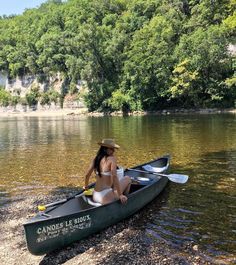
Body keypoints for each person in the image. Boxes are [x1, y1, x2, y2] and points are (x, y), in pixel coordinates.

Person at [83, 139, 131, 205]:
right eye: (111, 149)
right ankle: (124, 200)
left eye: (113, 149)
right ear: (104, 149)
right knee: (127, 178)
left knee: (113, 186)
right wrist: (120, 195)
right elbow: (114, 177)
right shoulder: (112, 159)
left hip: (95, 195)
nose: (113, 151)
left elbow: (87, 175)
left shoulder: (96, 158)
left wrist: (86, 187)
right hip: (105, 197)